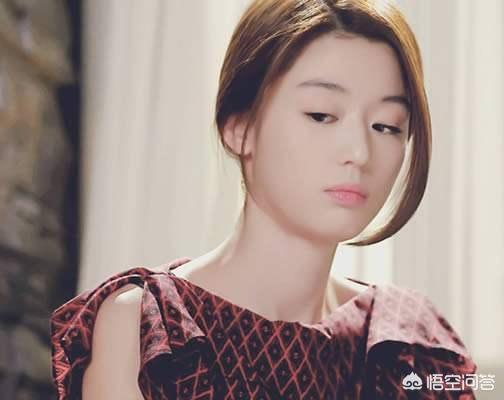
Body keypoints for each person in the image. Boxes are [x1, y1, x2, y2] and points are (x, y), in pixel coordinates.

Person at [50, 0, 477, 399]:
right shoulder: (149, 327)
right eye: (321, 115)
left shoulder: (410, 343)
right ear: (239, 128)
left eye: (386, 126)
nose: (360, 153)